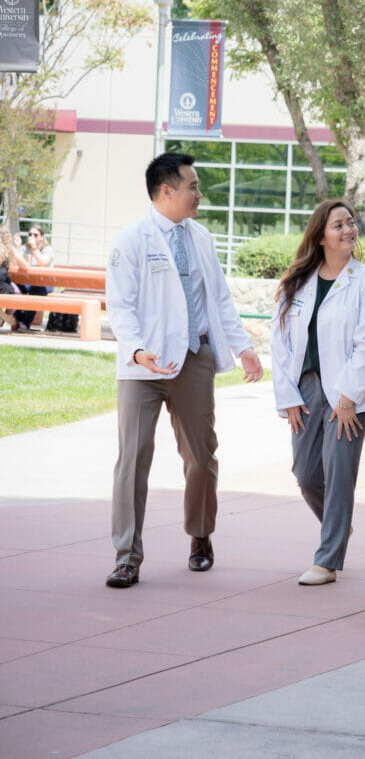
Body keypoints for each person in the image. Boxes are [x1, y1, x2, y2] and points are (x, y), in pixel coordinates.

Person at [104, 152, 263, 589]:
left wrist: (244, 348)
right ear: (165, 191)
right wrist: (137, 352)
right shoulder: (131, 240)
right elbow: (119, 306)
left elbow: (221, 299)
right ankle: (127, 556)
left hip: (194, 359)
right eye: (192, 186)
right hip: (144, 367)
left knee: (200, 457)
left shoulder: (202, 238)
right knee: (132, 460)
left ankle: (200, 535)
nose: (198, 194)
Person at [271, 200, 365, 586]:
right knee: (306, 474)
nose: (348, 230)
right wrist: (287, 396)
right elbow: (281, 344)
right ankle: (338, 525)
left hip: (347, 394)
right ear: (321, 236)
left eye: (351, 223)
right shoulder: (297, 283)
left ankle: (328, 559)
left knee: (339, 471)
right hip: (305, 389)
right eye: (338, 225)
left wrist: (347, 398)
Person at [14, 226, 54, 332]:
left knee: (37, 289)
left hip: (44, 282)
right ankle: (22, 321)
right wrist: (17, 248)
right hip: (27, 281)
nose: (32, 237)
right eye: (30, 234)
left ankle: (24, 323)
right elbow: (16, 263)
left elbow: (43, 263)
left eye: (35, 235)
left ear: (41, 237)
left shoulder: (47, 249)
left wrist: (34, 248)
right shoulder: (24, 248)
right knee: (12, 289)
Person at [0, 229, 29, 331]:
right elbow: (25, 266)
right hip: (3, 287)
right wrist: (17, 248)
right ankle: (4, 317)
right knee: (17, 295)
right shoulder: (8, 249)